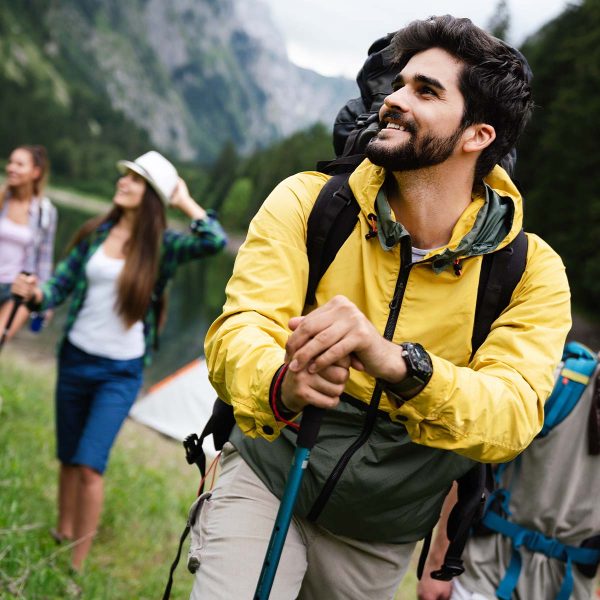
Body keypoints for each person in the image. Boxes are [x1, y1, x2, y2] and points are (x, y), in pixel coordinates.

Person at [194, 15, 571, 599]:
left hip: (381, 532)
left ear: (478, 135)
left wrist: (400, 364)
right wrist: (283, 383)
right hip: (269, 475)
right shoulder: (310, 201)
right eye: (399, 84)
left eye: (425, 91)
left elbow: (512, 416)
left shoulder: (531, 271)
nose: (393, 100)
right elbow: (239, 330)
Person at [11, 150, 227, 573]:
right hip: (74, 359)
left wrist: (182, 200)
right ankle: (61, 532)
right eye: (125, 175)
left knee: (91, 465)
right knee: (70, 456)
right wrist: (35, 295)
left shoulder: (163, 248)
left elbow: (213, 240)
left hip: (120, 372)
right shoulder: (95, 232)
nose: (123, 182)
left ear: (152, 196)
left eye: (135, 179)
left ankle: (74, 565)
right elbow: (59, 286)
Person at [417, 344, 600, 600]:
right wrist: (438, 566)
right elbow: (471, 470)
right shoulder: (552, 386)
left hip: (570, 590)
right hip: (486, 577)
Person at [0, 145, 56, 339]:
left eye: (19, 164)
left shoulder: (45, 212)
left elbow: (44, 260)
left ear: (36, 172)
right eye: (10, 162)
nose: (11, 168)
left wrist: (44, 301)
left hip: (17, 289)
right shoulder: (1, 199)